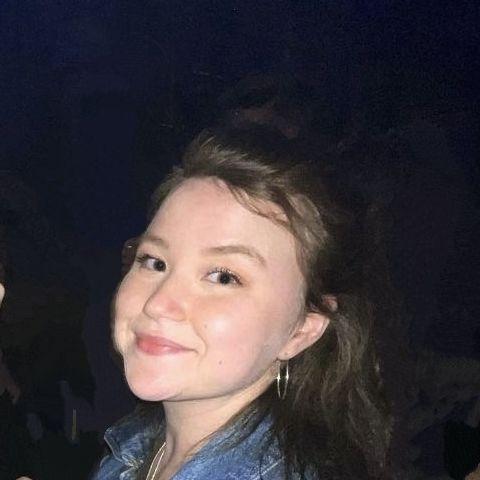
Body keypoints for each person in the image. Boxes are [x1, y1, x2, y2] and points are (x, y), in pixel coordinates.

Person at [90, 126, 391, 480]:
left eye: (223, 277)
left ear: (301, 331)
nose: (159, 303)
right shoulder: (138, 448)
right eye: (155, 262)